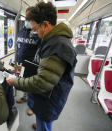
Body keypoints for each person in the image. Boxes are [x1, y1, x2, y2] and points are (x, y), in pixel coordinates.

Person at [7, 2, 77, 131]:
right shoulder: (50, 40)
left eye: (35, 29)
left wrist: (15, 82)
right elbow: (45, 66)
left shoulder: (58, 46)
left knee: (44, 123)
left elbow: (43, 83)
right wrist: (27, 68)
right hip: (45, 97)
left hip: (49, 100)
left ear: (45, 24)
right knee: (42, 120)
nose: (35, 33)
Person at [15, 6, 40, 116]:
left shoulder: (38, 34)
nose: (27, 19)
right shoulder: (21, 32)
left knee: (32, 86)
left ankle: (33, 107)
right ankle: (25, 97)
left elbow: (42, 48)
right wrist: (16, 63)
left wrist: (35, 35)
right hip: (20, 63)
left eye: (30, 17)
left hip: (32, 65)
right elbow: (18, 48)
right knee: (24, 83)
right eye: (27, 17)